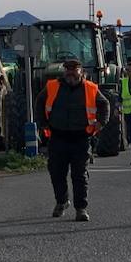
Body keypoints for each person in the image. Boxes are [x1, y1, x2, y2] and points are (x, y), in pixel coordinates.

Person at [37, 57, 110, 222]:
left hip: (81, 138)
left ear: (81, 72)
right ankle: (61, 202)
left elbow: (104, 104)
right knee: (57, 173)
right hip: (58, 137)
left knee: (80, 175)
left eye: (74, 69)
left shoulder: (90, 88)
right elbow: (39, 102)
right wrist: (42, 123)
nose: (70, 73)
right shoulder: (53, 86)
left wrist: (100, 123)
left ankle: (81, 208)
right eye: (68, 69)